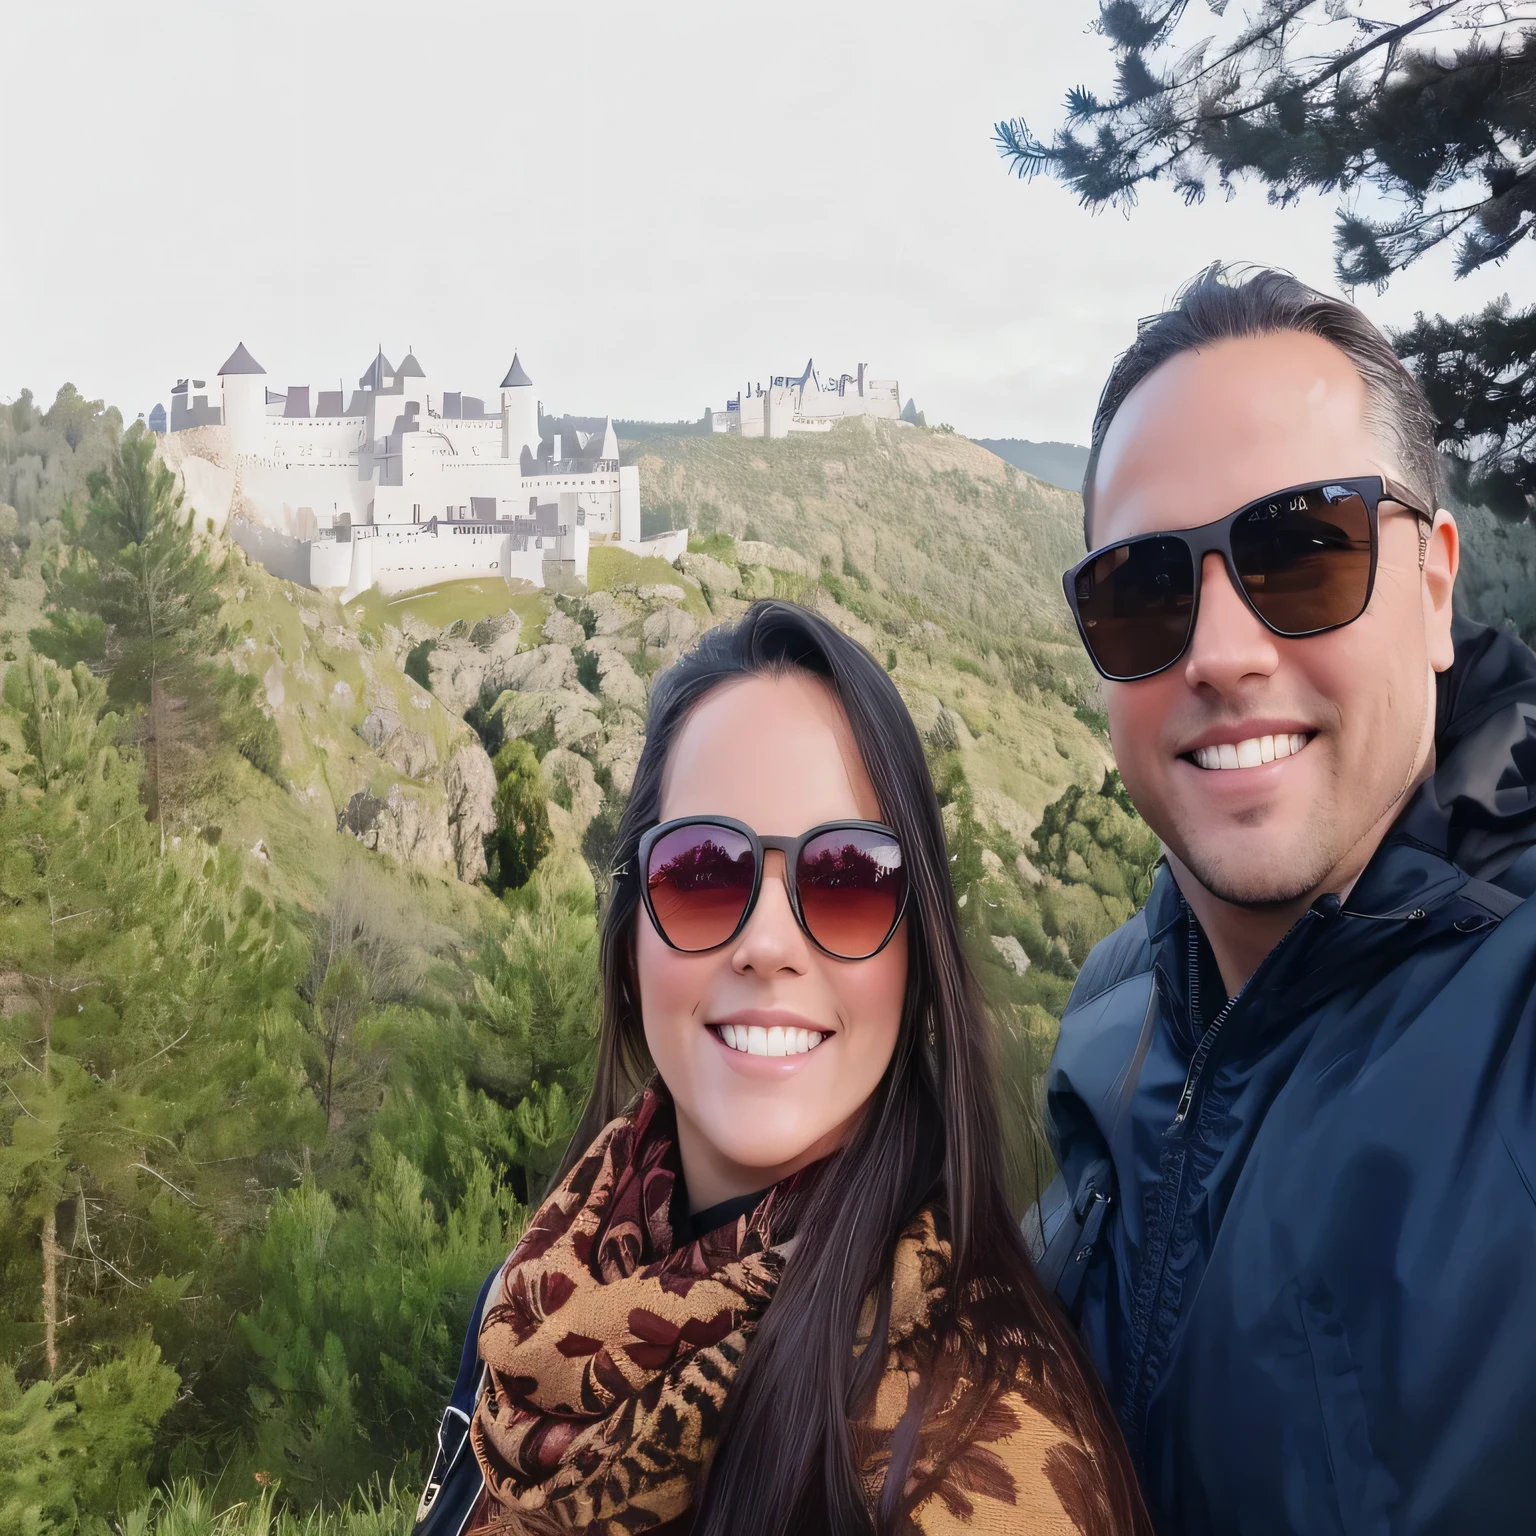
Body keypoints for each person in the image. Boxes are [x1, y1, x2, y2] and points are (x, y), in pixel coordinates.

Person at [420, 600, 1150, 1536]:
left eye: (847, 880)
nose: (768, 944)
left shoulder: (979, 1463)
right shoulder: (534, 1298)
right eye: (702, 872)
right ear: (630, 938)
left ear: (916, 957)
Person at [1041, 264, 1536, 1535]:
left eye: (1302, 552)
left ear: (1433, 587)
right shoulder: (1114, 1013)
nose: (1218, 652)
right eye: (1144, 589)